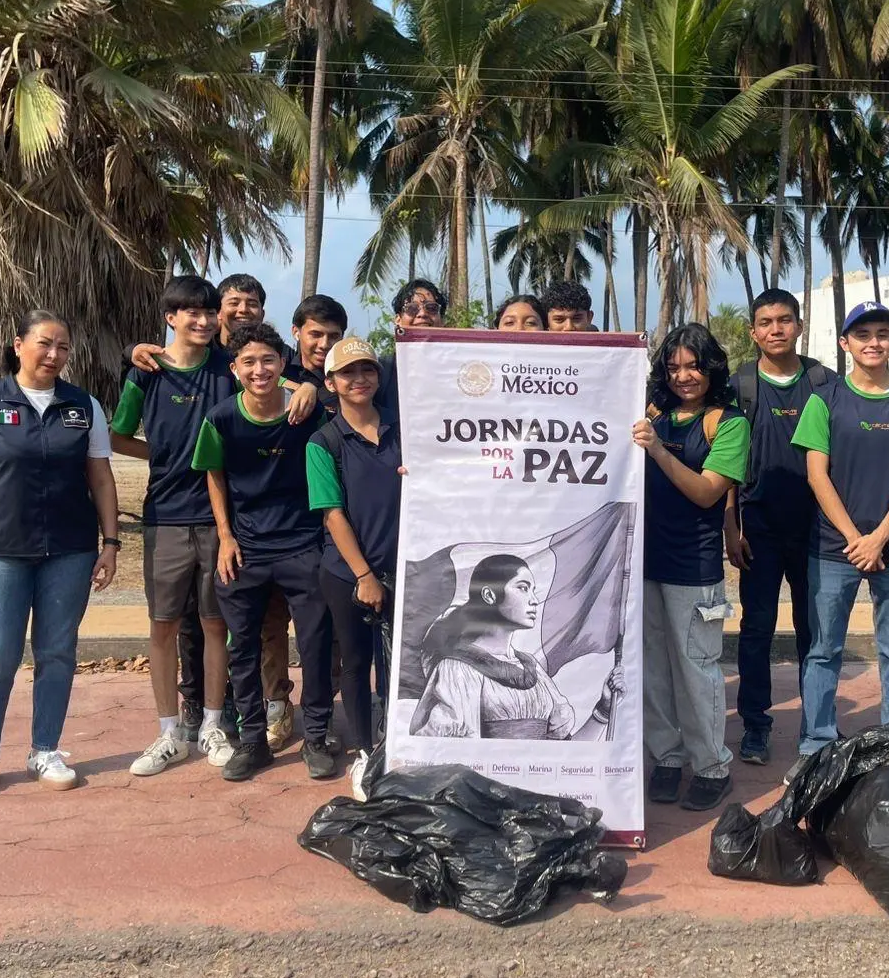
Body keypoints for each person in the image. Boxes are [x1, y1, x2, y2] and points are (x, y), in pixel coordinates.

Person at [0, 311, 120, 807]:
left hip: (70, 549)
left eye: (63, 347)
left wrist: (110, 543)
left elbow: (101, 478)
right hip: (0, 550)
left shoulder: (83, 406)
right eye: (45, 344)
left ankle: (45, 750)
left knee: (57, 653)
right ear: (18, 344)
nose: (54, 355)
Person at [793, 301, 889, 755]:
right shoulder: (825, 400)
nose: (873, 342)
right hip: (831, 548)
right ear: (845, 344)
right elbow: (817, 475)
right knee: (823, 651)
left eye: (882, 333)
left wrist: (878, 538)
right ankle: (816, 744)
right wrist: (854, 539)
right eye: (863, 335)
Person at [192, 321, 337, 782]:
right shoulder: (220, 418)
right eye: (249, 362)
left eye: (269, 360)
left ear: (282, 364)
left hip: (303, 545)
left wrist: (308, 387)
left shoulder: (308, 412)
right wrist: (226, 536)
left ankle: (316, 737)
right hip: (245, 549)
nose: (260, 370)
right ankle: (252, 742)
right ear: (235, 369)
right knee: (243, 650)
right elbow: (213, 474)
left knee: (314, 644)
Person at [110, 275, 237, 776]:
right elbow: (119, 436)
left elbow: (284, 384)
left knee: (214, 624)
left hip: (219, 516)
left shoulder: (230, 368)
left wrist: (309, 388)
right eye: (191, 313)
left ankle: (210, 726)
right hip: (164, 516)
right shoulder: (147, 370)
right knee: (162, 625)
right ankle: (169, 732)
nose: (202, 321)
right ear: (171, 318)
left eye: (209, 312)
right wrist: (162, 456)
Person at [631, 323, 748, 813]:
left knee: (697, 670)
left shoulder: (729, 423)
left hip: (694, 568)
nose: (683, 376)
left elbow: (706, 491)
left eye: (693, 365)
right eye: (674, 366)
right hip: (644, 562)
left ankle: (712, 767)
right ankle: (668, 758)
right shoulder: (653, 414)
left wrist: (656, 450)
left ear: (711, 367)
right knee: (654, 670)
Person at [722, 289, 832, 765]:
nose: (775, 329)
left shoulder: (824, 382)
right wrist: (732, 528)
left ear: (799, 326)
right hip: (758, 530)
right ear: (753, 332)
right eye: (765, 322)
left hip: (816, 529)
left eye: (784, 320)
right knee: (756, 630)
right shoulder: (739, 385)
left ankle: (817, 728)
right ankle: (755, 726)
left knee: (816, 632)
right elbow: (724, 462)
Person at [306, 337, 403, 776]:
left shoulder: (404, 429)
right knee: (358, 661)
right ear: (331, 383)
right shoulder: (323, 442)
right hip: (348, 573)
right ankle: (365, 752)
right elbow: (332, 514)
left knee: (400, 664)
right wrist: (364, 575)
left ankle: (398, 746)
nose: (358, 379)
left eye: (366, 370)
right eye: (347, 373)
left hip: (404, 568)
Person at [409, 555, 622, 740]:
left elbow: (563, 757)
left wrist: (604, 709)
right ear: (489, 595)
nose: (534, 600)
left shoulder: (534, 670)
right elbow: (453, 760)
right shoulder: (458, 670)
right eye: (522, 588)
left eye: (533, 590)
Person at [379, 279, 447, 420]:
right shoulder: (382, 370)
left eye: (432, 308)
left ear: (442, 320)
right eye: (411, 308)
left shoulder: (457, 367)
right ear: (397, 320)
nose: (422, 314)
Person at [288, 294, 349, 405]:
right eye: (316, 334)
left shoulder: (350, 381)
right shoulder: (279, 370)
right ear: (296, 332)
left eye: (333, 336)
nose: (324, 344)